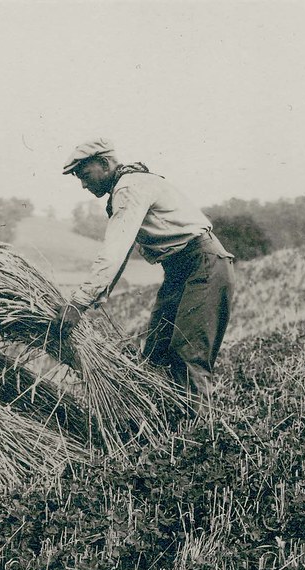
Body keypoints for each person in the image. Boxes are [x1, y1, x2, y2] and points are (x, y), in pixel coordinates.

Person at [58, 138, 235, 407]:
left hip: (203, 265)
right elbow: (123, 252)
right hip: (180, 271)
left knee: (188, 356)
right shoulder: (129, 186)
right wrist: (95, 298)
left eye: (85, 175)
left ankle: (203, 436)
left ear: (105, 163)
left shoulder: (129, 188)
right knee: (156, 354)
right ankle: (169, 429)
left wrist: (79, 302)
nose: (83, 184)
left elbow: (114, 250)